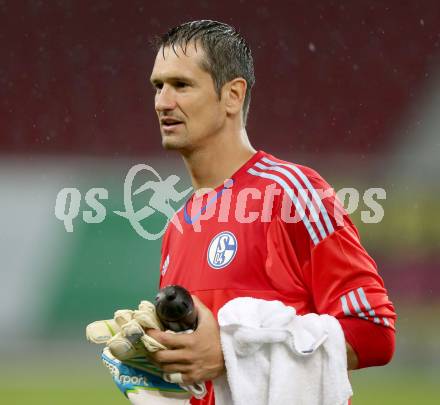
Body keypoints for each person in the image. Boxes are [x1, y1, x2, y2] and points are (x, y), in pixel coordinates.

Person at [146, 20, 396, 405]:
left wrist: (231, 354)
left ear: (232, 95)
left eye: (181, 85)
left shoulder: (295, 194)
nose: (163, 102)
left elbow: (374, 331)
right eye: (158, 86)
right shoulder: (179, 225)